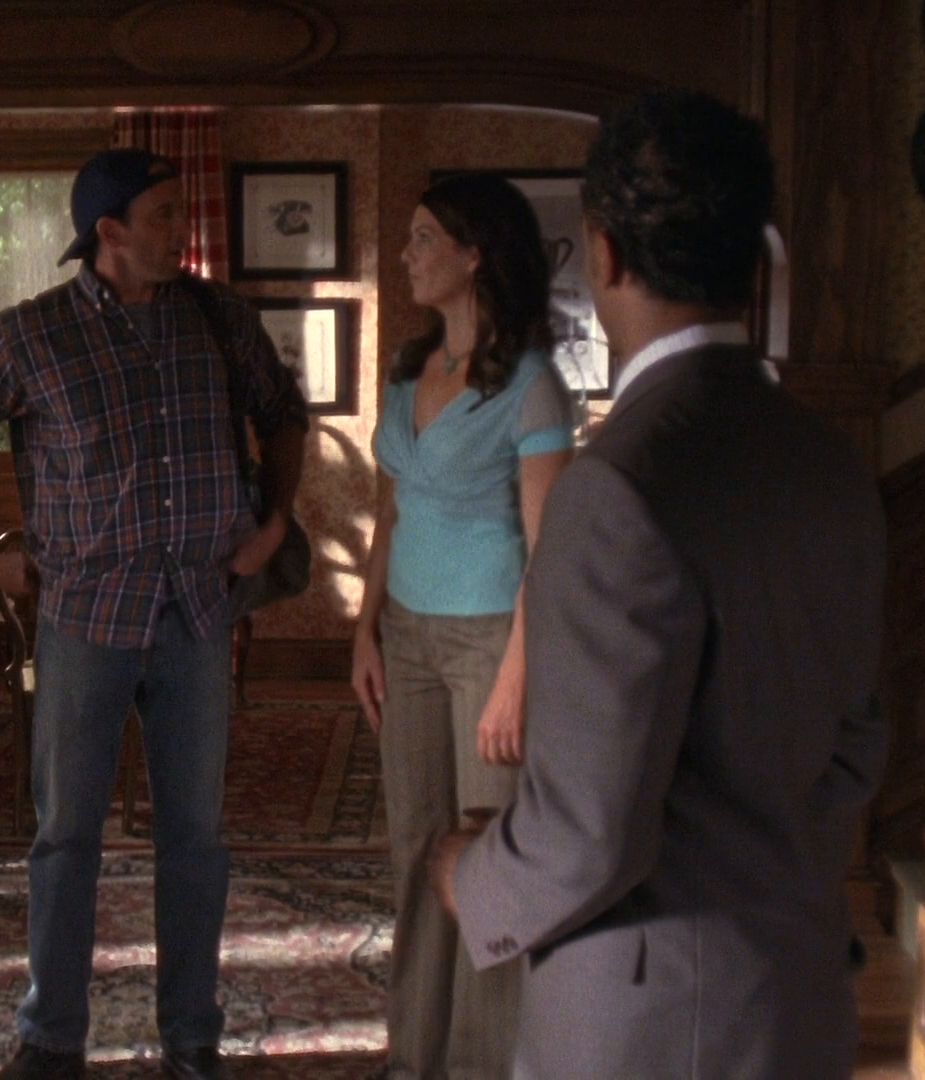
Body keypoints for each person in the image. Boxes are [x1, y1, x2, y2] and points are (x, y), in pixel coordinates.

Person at [428, 89, 890, 1078]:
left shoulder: (617, 487)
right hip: (798, 986)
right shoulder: (828, 457)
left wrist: (471, 875)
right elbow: (856, 743)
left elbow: (587, 836)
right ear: (752, 255)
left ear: (602, 254)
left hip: (652, 1020)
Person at [0, 148, 309, 1080]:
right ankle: (52, 1041)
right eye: (164, 216)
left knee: (194, 839)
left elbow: (283, 413)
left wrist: (274, 520)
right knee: (65, 840)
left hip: (199, 612)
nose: (183, 232)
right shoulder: (31, 336)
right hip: (84, 618)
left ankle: (192, 1038)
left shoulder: (219, 319)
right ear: (109, 232)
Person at [351, 173, 573, 1080]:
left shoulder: (531, 385)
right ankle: (414, 1059)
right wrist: (365, 632)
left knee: (487, 861)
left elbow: (549, 554)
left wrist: (517, 678)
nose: (405, 255)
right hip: (405, 639)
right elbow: (390, 515)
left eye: (422, 238)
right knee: (415, 853)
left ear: (474, 254)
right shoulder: (408, 370)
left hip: (491, 643)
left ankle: (484, 1066)